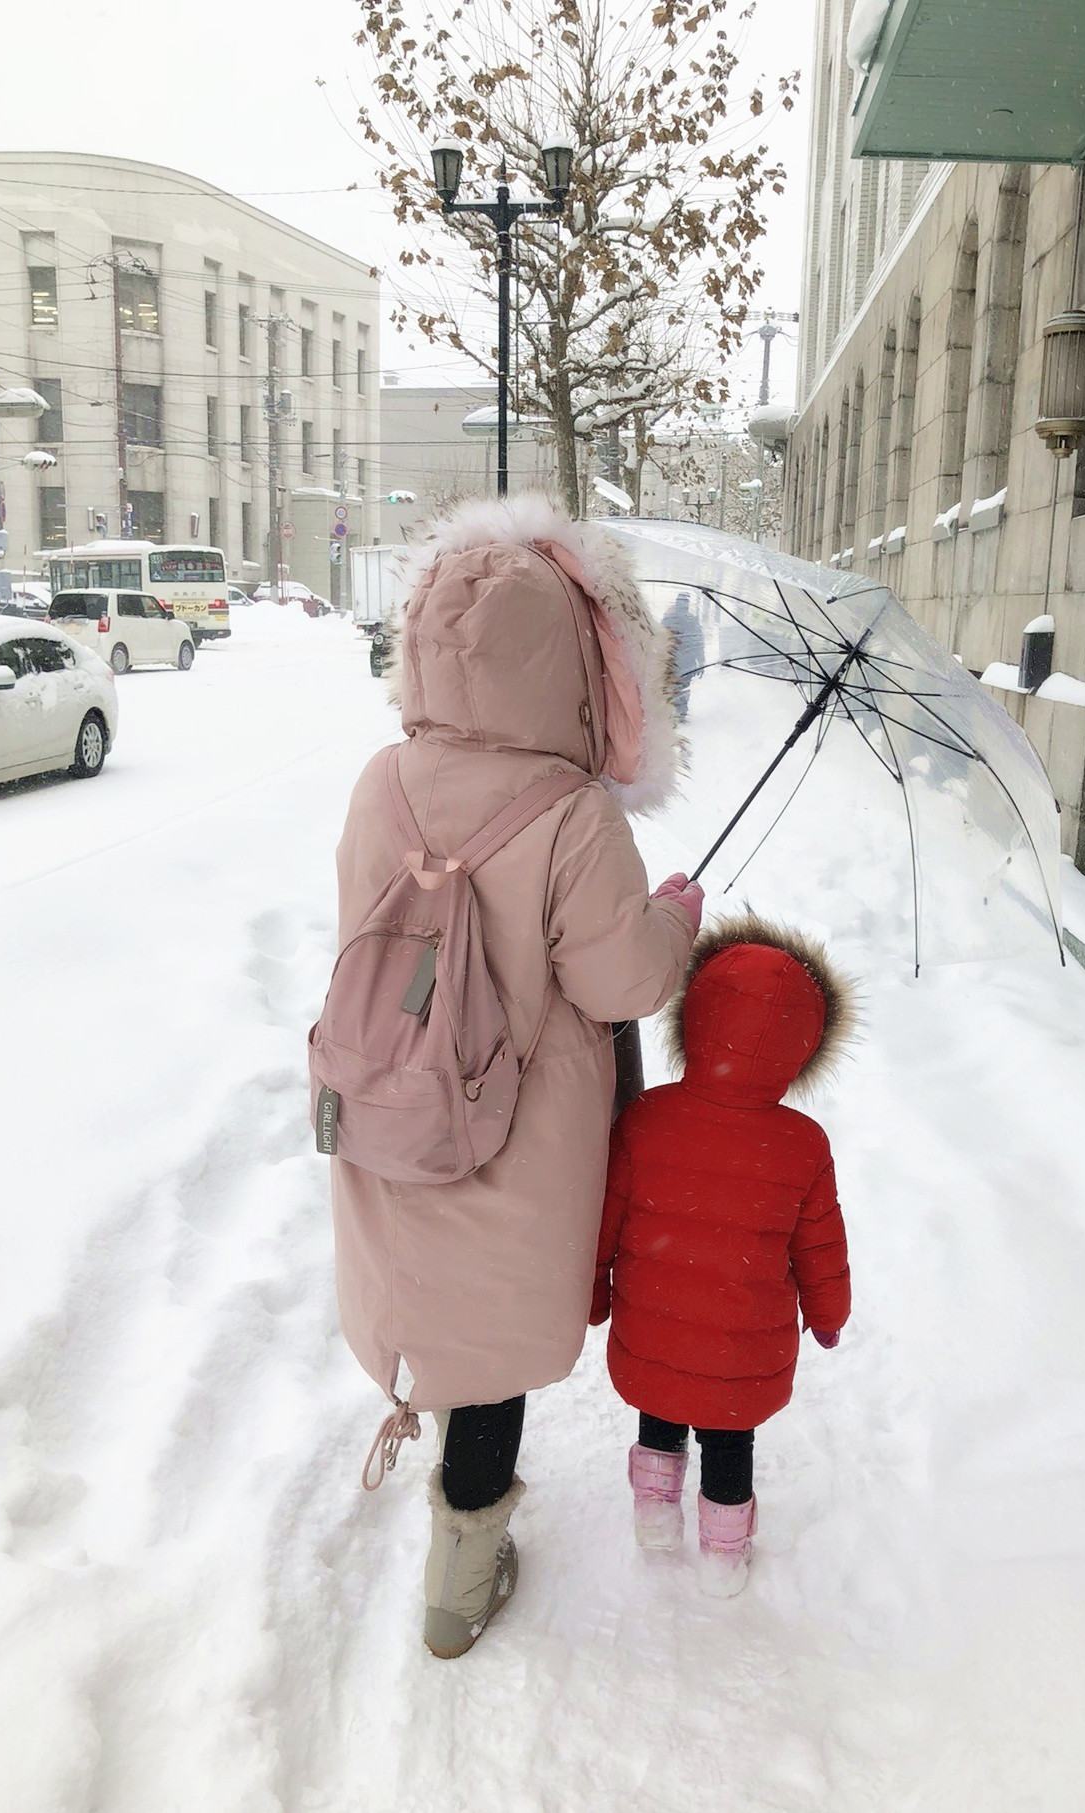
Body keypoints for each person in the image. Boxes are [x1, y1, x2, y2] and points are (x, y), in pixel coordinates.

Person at [329, 493, 703, 1658]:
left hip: (388, 1094)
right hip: (514, 1127)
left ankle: (446, 1481)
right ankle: (460, 1579)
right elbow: (624, 983)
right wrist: (672, 918)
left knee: (431, 1296)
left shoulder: (380, 781)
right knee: (489, 1349)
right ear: (571, 662)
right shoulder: (574, 814)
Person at [592, 913, 854, 1597]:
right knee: (729, 1434)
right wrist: (828, 1312)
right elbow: (820, 1243)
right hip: (744, 1349)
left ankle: (654, 1510)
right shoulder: (802, 1144)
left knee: (662, 1400)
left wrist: (592, 1293)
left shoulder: (647, 1118)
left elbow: (605, 1216)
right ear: (802, 1048)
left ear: (695, 1018)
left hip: (654, 1328)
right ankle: (723, 1552)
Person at [661, 589, 705, 720]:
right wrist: (701, 661)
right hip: (688, 662)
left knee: (671, 685)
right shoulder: (692, 620)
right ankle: (681, 712)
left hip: (671, 659)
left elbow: (660, 638)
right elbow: (699, 642)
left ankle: (671, 710)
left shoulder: (668, 618)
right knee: (684, 686)